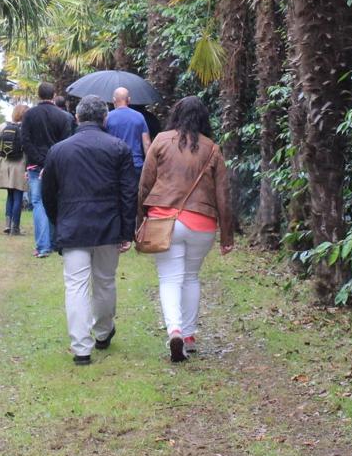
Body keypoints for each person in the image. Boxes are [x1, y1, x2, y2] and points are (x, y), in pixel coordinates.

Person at [42, 94, 138, 365]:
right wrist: (126, 229)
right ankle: (103, 332)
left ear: (77, 117)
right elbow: (128, 192)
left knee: (76, 286)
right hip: (108, 226)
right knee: (105, 280)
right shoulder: (118, 148)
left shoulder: (59, 150)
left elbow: (48, 193)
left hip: (72, 225)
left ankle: (81, 347)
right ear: (105, 117)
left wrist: (58, 220)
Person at [138, 96, 234, 363]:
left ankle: (175, 331)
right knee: (191, 277)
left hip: (164, 220)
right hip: (202, 223)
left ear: (175, 116)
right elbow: (223, 195)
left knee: (170, 279)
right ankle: (189, 336)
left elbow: (145, 185)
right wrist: (227, 235)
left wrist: (139, 221)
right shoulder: (212, 149)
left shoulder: (160, 141)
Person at [19, 82, 73, 257]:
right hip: (56, 166)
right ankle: (56, 242)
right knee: (56, 201)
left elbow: (25, 141)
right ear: (53, 94)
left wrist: (40, 162)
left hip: (36, 166)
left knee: (39, 203)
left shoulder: (29, 115)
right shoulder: (63, 116)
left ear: (38, 95)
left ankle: (43, 246)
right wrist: (49, 163)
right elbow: (65, 143)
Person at [0, 103, 29, 235]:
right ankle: (15, 228)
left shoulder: (3, 127)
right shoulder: (24, 128)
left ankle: (7, 225)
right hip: (19, 165)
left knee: (10, 196)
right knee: (18, 195)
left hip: (5, 164)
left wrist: (2, 161)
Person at [106, 87, 151, 171]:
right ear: (129, 100)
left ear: (113, 100)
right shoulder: (139, 116)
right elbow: (147, 143)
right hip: (135, 163)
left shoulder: (107, 117)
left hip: (114, 163)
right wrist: (149, 166)